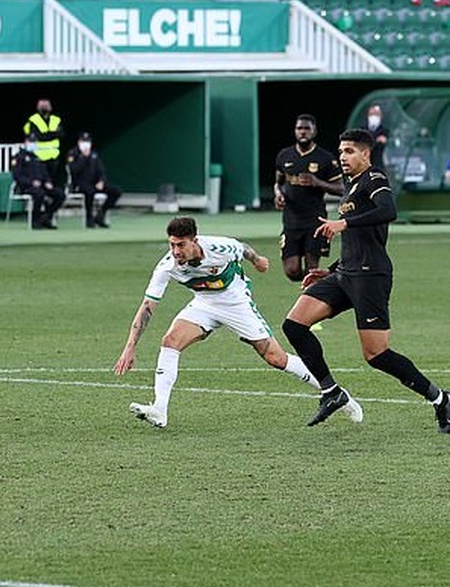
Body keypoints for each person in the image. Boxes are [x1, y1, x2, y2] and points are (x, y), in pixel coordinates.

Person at [113, 217, 363, 429]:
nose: (176, 251)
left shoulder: (218, 247)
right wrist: (130, 347)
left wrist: (257, 260)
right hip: (204, 303)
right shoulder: (167, 266)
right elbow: (147, 307)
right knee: (170, 341)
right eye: (172, 244)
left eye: (181, 245)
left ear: (194, 241)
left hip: (236, 303)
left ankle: (335, 393)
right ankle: (159, 409)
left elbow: (242, 248)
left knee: (276, 358)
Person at [282, 129, 449, 431]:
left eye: (349, 151)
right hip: (344, 274)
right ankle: (331, 392)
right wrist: (330, 269)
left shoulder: (375, 178)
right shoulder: (351, 184)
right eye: (340, 151)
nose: (342, 157)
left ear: (365, 154)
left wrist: (343, 223)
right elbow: (358, 240)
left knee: (376, 354)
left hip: (371, 275)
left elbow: (388, 211)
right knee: (294, 325)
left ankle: (441, 399)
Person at [273, 114, 344, 282]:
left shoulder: (325, 158)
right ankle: (314, 285)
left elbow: (341, 189)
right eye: (299, 128)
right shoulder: (284, 155)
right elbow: (278, 183)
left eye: (307, 128)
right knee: (292, 270)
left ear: (314, 131)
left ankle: (312, 294)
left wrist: (318, 182)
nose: (303, 132)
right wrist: (278, 195)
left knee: (312, 267)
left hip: (314, 220)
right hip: (291, 220)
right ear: (295, 131)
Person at [65, 131, 122, 228]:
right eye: (83, 142)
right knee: (89, 192)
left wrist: (101, 181)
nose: (86, 144)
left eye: (87, 142)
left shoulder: (94, 154)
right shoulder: (73, 154)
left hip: (95, 183)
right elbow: (73, 170)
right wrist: (83, 157)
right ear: (79, 142)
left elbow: (101, 170)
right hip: (79, 184)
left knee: (116, 191)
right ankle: (89, 218)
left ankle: (101, 214)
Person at [11, 132, 65, 230]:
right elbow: (17, 176)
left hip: (41, 185)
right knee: (39, 194)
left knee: (60, 194)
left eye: (34, 142)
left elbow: (45, 173)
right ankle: (35, 220)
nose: (33, 144)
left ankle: (46, 216)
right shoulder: (19, 157)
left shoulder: (38, 157)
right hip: (26, 187)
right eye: (31, 142)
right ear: (26, 142)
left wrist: (48, 182)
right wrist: (31, 182)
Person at [22, 98, 66, 190]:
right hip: (39, 157)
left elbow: (61, 134)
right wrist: (53, 134)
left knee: (54, 184)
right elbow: (38, 136)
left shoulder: (56, 119)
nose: (44, 107)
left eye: (46, 105)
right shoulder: (33, 120)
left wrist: (46, 135)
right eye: (42, 105)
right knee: (41, 184)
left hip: (54, 157)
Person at [363, 104, 390, 170]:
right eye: (371, 114)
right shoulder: (362, 130)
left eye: (376, 114)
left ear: (381, 116)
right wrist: (376, 140)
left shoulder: (385, 131)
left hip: (378, 167)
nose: (373, 117)